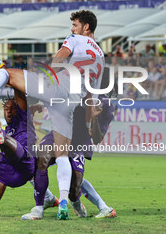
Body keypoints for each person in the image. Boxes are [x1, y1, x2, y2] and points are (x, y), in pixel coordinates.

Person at [0, 10, 105, 220]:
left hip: (59, 88)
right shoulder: (101, 56)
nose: (72, 28)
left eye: (75, 24)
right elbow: (91, 94)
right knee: (61, 155)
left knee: (8, 74)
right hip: (71, 104)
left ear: (86, 27)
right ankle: (62, 204)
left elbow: (59, 58)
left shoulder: (75, 39)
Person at [21, 68, 117, 220]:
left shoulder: (106, 105)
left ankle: (80, 203)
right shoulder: (77, 85)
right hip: (59, 133)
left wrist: (94, 119)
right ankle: (39, 208)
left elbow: (97, 138)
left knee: (74, 187)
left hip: (79, 141)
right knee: (41, 159)